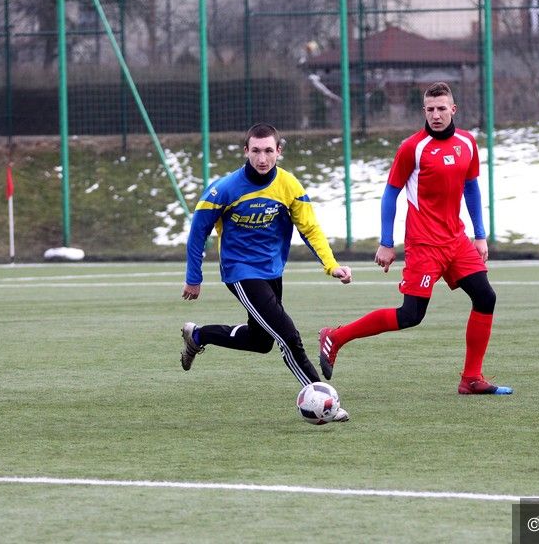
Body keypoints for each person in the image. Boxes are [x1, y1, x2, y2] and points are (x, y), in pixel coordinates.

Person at [318, 82, 512, 395]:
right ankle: (336, 336)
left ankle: (471, 378)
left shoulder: (467, 142)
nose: (436, 115)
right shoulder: (413, 147)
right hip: (424, 244)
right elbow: (390, 193)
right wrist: (386, 242)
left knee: (485, 297)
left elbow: (472, 187)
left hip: (457, 240)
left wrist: (480, 235)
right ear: (424, 111)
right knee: (411, 315)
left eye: (442, 108)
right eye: (430, 109)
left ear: (453, 109)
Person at [180, 123, 354, 419]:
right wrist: (193, 278)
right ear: (246, 151)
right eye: (256, 151)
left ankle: (198, 336)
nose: (262, 158)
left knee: (261, 341)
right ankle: (323, 400)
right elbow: (198, 232)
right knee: (288, 336)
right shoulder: (224, 189)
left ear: (279, 151)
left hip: (272, 270)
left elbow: (309, 229)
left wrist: (331, 265)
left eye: (269, 151)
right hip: (240, 271)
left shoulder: (289, 186)